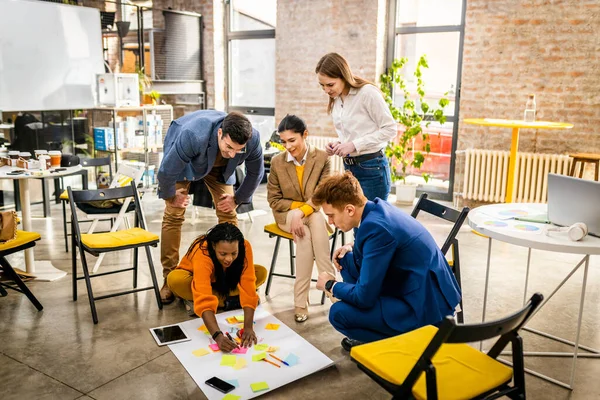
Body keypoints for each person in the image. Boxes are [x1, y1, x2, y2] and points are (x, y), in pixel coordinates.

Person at [313, 172, 461, 351]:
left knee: (338, 314)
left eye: (331, 215)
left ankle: (405, 343)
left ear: (350, 210)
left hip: (423, 306)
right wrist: (352, 246)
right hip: (412, 284)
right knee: (346, 260)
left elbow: (364, 298)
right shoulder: (375, 208)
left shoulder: (376, 228)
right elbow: (385, 240)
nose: (330, 222)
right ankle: (370, 315)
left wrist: (331, 285)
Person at [157, 110, 264, 304]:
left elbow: (256, 173)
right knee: (174, 215)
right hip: (186, 162)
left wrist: (237, 199)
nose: (232, 153)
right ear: (220, 133)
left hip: (221, 169)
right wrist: (171, 196)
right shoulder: (192, 135)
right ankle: (168, 278)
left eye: (238, 150)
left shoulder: (252, 139)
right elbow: (166, 171)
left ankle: (229, 275)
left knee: (229, 213)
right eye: (229, 147)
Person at [267, 114, 337, 323]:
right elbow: (274, 200)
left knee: (307, 231)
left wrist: (303, 212)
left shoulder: (322, 158)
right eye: (284, 142)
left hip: (310, 214)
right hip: (286, 216)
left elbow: (321, 194)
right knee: (311, 221)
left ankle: (301, 302)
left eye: (292, 140)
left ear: (305, 135)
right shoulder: (278, 162)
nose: (287, 146)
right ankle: (333, 290)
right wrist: (298, 210)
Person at [167, 223, 268, 352]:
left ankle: (206, 301)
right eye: (223, 253)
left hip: (225, 282)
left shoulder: (245, 246)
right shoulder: (202, 250)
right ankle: (227, 301)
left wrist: (248, 327)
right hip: (198, 281)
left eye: (234, 253)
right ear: (213, 246)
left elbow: (248, 284)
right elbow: (203, 291)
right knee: (174, 280)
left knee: (260, 272)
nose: (229, 259)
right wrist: (217, 336)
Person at [315, 52, 397, 201]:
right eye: (322, 86)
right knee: (354, 222)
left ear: (343, 76)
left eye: (330, 84)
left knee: (369, 222)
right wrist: (339, 144)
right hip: (350, 169)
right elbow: (354, 132)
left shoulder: (367, 93)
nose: (326, 90)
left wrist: (353, 145)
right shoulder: (337, 98)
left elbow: (390, 129)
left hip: (372, 169)